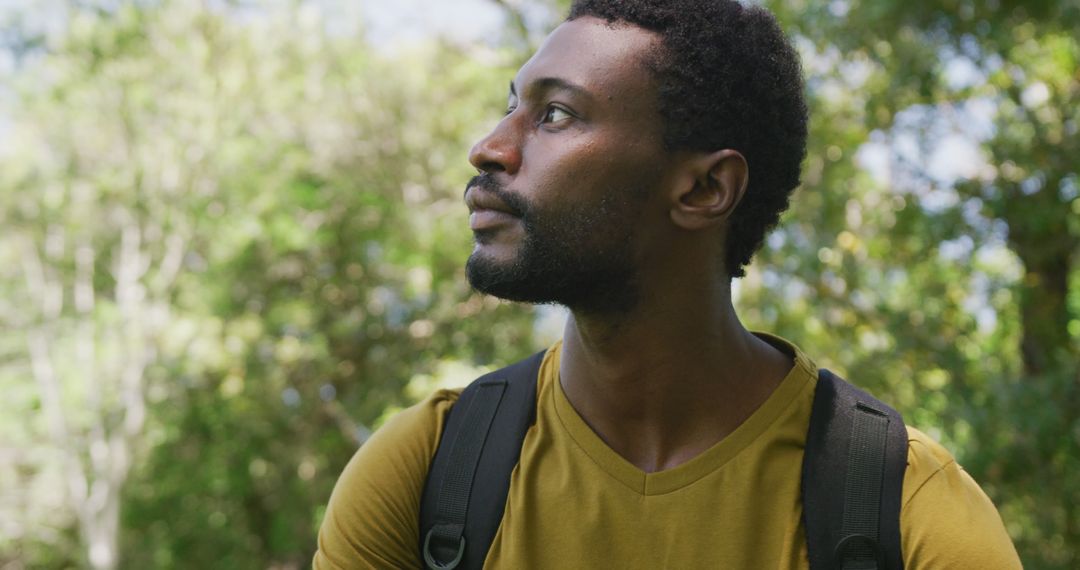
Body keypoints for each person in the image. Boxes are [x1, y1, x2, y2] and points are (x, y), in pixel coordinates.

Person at [313, 0, 1021, 567]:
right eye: (511, 105)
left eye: (555, 114)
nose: (491, 146)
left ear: (705, 188)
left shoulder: (903, 510)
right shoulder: (426, 473)